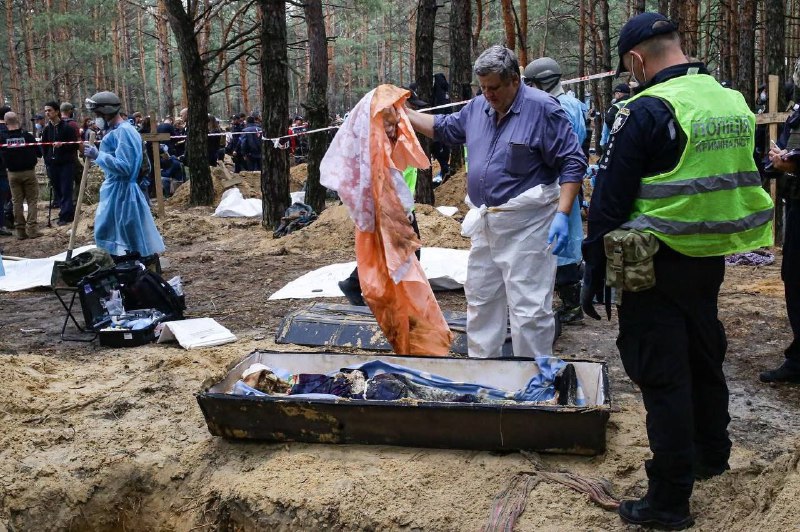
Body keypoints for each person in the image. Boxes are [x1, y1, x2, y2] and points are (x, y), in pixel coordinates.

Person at [581, 13, 774, 529]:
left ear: (637, 60)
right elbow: (748, 166)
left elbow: (612, 197)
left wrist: (593, 264)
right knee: (703, 351)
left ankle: (668, 499)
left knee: (662, 371)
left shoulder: (645, 108)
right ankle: (712, 454)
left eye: (630, 68)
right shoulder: (730, 100)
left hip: (653, 259)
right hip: (709, 257)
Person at [406, 45, 586, 358]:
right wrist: (406, 115)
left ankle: (533, 374)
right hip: (486, 222)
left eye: (494, 88)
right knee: (481, 297)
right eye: (483, 87)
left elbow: (572, 161)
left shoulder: (544, 110)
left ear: (515, 80)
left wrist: (563, 212)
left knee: (529, 305)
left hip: (528, 225)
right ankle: (483, 368)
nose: (488, 94)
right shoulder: (478, 107)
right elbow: (446, 129)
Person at [337, 89, 429, 306]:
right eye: (390, 124)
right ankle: (403, 291)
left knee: (390, 247)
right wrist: (402, 207)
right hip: (390, 202)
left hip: (396, 201)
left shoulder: (391, 140)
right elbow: (385, 177)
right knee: (409, 246)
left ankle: (357, 283)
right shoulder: (377, 146)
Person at [523, 56, 588, 325]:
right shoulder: (574, 103)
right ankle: (570, 302)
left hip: (557, 183)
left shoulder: (558, 106)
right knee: (566, 242)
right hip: (565, 181)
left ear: (544, 82)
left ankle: (572, 306)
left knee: (561, 246)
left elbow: (559, 146)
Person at [83, 91, 165, 258]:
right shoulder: (116, 131)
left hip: (123, 191)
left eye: (98, 114)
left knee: (128, 232)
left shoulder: (124, 132)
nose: (96, 119)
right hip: (115, 189)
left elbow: (125, 167)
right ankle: (124, 264)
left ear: (106, 112)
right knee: (110, 230)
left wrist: (98, 156)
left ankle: (138, 266)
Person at [761, 61, 800, 384]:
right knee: (794, 278)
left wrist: (790, 163)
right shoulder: (796, 111)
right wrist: (776, 162)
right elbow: (780, 150)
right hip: (796, 205)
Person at [0, 112, 40, 239]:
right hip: (29, 172)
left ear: (5, 123)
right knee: (32, 201)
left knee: (16, 202)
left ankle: (20, 231)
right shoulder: (27, 136)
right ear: (18, 120)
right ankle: (32, 229)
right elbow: (39, 153)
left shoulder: (2, 138)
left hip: (12, 174)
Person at [42, 100, 78, 226]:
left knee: (66, 188)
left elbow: (74, 145)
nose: (47, 113)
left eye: (49, 110)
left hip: (66, 163)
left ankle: (66, 215)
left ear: (57, 111)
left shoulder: (67, 127)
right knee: (58, 189)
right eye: (46, 111)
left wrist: (63, 146)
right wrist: (47, 159)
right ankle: (65, 211)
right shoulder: (47, 130)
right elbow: (44, 146)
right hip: (52, 164)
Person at [599, 84, 630, 153]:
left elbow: (607, 125)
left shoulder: (615, 107)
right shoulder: (634, 103)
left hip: (613, 143)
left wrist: (603, 143)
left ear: (618, 94)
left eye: (615, 94)